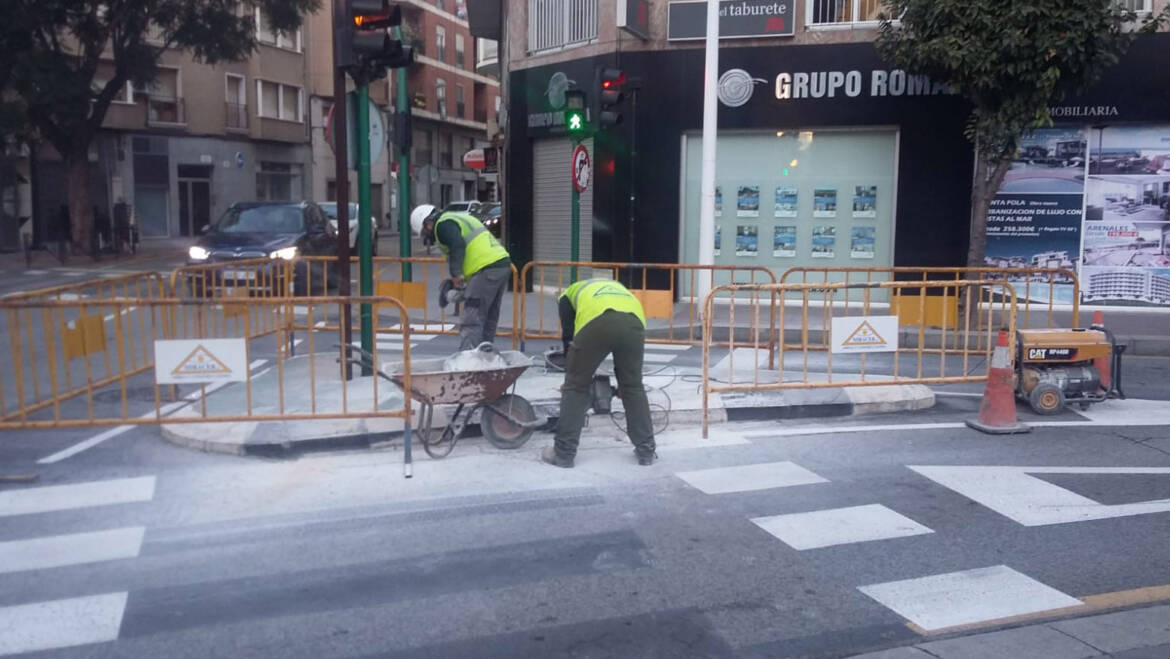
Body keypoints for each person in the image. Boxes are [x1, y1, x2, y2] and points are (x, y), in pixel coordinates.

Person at [542, 278, 657, 468]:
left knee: (576, 387)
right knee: (633, 387)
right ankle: (646, 450)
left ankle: (563, 453)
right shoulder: (615, 287)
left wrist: (571, 371)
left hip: (599, 320)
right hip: (633, 321)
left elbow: (569, 337)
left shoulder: (566, 296)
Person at [410, 204, 511, 350]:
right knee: (489, 316)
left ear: (428, 223)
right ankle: (486, 357)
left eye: (424, 232)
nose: (427, 237)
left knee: (472, 318)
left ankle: (469, 360)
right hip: (500, 264)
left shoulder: (442, 225)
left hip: (486, 268)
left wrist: (456, 275)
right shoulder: (456, 217)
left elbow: (458, 245)